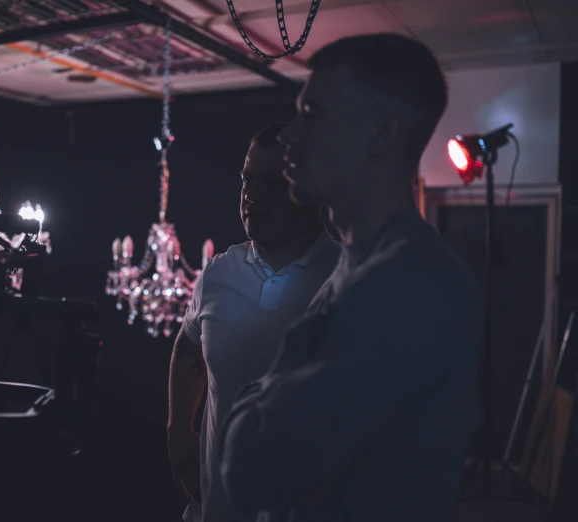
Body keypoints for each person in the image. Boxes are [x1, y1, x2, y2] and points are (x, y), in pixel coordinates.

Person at [218, 34, 481, 522]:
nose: (290, 136)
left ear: (382, 135)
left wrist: (257, 393)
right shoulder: (363, 266)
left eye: (312, 113)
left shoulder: (406, 287)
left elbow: (250, 470)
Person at [167, 122, 341, 522]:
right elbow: (188, 347)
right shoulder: (217, 274)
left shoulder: (348, 277)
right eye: (247, 180)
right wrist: (178, 431)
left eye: (272, 183)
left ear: (311, 190)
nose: (253, 195)